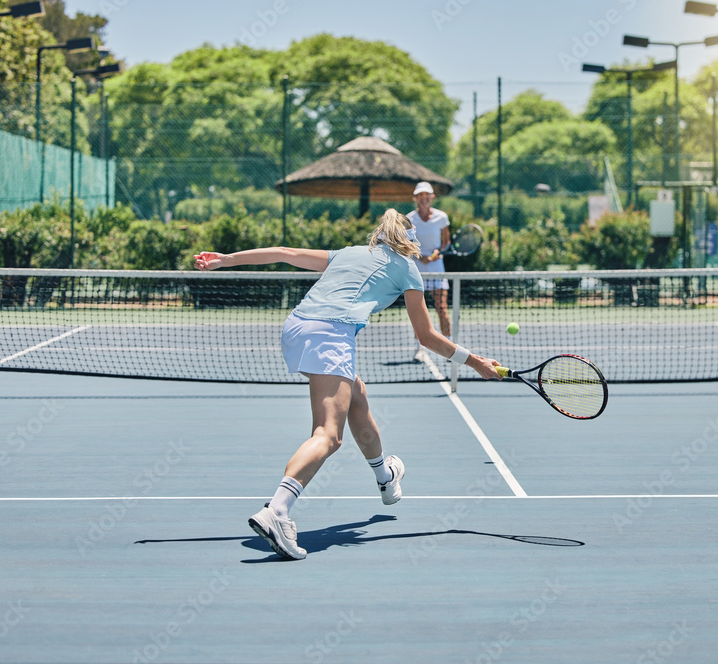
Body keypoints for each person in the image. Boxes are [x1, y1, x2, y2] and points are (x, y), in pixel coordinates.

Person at [193, 209, 501, 560]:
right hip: (331, 334)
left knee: (356, 393)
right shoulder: (408, 269)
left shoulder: (349, 252)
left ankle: (385, 476)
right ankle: (276, 510)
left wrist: (225, 260)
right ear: (410, 243)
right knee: (328, 435)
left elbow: (284, 252)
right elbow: (427, 336)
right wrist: (476, 362)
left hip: (296, 327)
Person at [407, 181, 452, 338]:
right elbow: (407, 245)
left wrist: (438, 251)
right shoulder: (409, 219)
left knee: (441, 306)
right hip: (417, 268)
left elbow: (446, 242)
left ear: (432, 197)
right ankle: (419, 347)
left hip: (436, 267)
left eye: (427, 195)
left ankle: (449, 344)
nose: (424, 198)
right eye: (420, 195)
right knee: (418, 309)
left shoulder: (441, 217)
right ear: (416, 198)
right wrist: (420, 256)